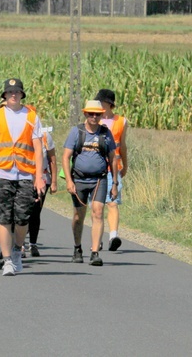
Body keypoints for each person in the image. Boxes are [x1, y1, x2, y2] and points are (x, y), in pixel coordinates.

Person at [0, 79, 45, 277]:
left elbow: (38, 149)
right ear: (5, 95)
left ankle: (18, 249)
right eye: (10, 92)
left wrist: (39, 177)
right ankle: (7, 259)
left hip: (25, 173)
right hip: (1, 172)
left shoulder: (31, 116)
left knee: (22, 218)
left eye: (17, 92)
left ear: (21, 94)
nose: (13, 95)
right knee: (3, 218)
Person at [61, 100, 118, 267]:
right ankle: (77, 248)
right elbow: (66, 157)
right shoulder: (76, 132)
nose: (94, 117)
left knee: (98, 212)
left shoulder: (106, 133)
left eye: (98, 114)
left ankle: (95, 252)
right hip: (78, 179)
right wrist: (69, 181)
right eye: (91, 114)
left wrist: (114, 183)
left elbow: (113, 159)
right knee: (79, 216)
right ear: (85, 114)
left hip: (99, 179)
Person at [95, 88, 128, 251]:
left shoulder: (121, 121)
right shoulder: (93, 119)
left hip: (113, 169)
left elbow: (122, 146)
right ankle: (97, 238)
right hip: (95, 168)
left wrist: (125, 165)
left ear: (109, 104)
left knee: (112, 203)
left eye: (101, 102)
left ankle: (113, 236)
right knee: (97, 206)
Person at [25, 124, 58, 257]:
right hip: (24, 177)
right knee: (22, 211)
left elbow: (52, 160)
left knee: (35, 211)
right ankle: (19, 244)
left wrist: (54, 181)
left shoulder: (45, 136)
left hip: (43, 178)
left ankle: (33, 243)